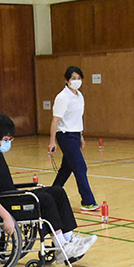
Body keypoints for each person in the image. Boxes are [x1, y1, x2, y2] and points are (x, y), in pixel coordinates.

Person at [0, 113, 96, 263]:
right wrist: (6, 216)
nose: (8, 143)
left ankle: (69, 238)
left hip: (12, 196)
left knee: (57, 191)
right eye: (6, 140)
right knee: (44, 200)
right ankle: (61, 246)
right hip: (4, 203)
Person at [49, 66, 98, 210]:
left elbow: (77, 118)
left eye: (79, 78)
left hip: (75, 134)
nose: (76, 81)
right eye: (73, 78)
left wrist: (81, 136)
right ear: (66, 80)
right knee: (80, 166)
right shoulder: (62, 97)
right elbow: (55, 121)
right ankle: (87, 201)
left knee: (66, 168)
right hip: (65, 135)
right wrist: (52, 141)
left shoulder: (79, 96)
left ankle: (51, 194)